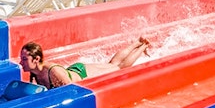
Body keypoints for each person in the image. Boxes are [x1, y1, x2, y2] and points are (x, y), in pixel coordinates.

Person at [19, 38, 151, 89]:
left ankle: (142, 46)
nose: (21, 62)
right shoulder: (35, 72)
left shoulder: (53, 71)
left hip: (82, 73)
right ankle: (137, 42)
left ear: (36, 59)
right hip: (74, 70)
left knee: (118, 67)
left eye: (24, 59)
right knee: (112, 64)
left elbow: (74, 90)